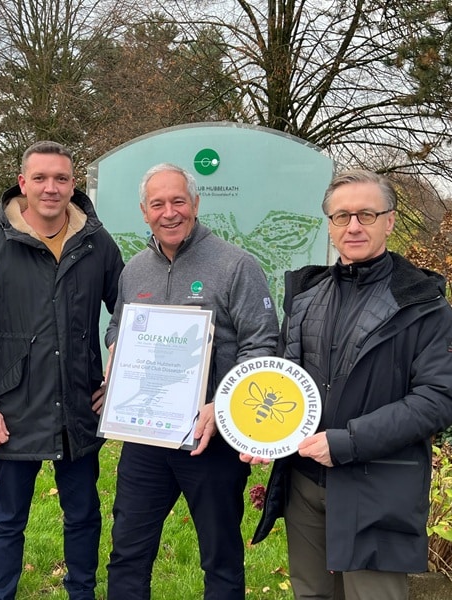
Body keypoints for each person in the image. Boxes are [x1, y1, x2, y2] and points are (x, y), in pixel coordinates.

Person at [245, 169, 452, 600]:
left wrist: (346, 443)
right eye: (342, 216)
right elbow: (285, 380)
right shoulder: (306, 297)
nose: (354, 227)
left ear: (390, 221)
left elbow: (437, 399)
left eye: (367, 214)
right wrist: (264, 434)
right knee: (312, 594)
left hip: (378, 486)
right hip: (306, 484)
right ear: (330, 224)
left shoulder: (422, 305)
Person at [0, 141, 124, 600]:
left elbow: (130, 314)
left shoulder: (97, 242)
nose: (51, 188)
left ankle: (82, 593)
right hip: (11, 408)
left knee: (83, 514)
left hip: (78, 405)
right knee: (7, 519)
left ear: (73, 184)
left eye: (61, 178)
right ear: (22, 183)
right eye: (41, 178)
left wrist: (119, 380)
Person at [104, 163, 280, 599]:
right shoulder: (134, 270)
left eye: (178, 201)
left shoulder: (236, 265)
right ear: (144, 212)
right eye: (158, 204)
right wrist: (117, 352)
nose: (169, 213)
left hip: (211, 438)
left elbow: (261, 343)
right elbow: (118, 327)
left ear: (196, 204)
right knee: (127, 553)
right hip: (147, 437)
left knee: (219, 558)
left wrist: (224, 405)